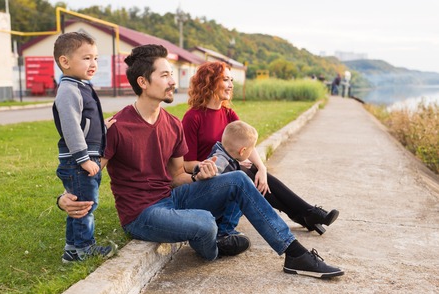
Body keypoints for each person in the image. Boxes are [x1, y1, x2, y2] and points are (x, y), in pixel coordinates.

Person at [59, 44, 344, 278]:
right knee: (205, 223)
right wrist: (64, 198)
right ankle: (216, 245)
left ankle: (295, 255)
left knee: (237, 178)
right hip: (142, 214)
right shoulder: (119, 126)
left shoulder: (172, 124)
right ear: (143, 82)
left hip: (172, 198)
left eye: (172, 74)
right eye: (165, 76)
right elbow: (90, 172)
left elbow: (175, 178)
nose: (173, 81)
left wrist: (200, 177)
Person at [182, 61, 339, 236]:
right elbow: (187, 164)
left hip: (232, 171)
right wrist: (210, 166)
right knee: (246, 174)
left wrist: (262, 169)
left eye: (231, 80)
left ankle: (306, 214)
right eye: (226, 80)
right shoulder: (193, 117)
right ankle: (306, 214)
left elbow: (248, 143)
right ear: (209, 81)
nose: (231, 85)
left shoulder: (228, 114)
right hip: (210, 179)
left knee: (255, 172)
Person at [52, 32, 117, 263]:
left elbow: (85, 122)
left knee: (79, 202)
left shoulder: (81, 86)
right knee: (85, 205)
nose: (93, 63)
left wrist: (104, 126)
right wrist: (83, 159)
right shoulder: (69, 90)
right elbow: (71, 127)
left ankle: (72, 249)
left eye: (96, 58)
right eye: (87, 58)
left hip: (82, 160)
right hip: (78, 161)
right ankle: (84, 249)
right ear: (65, 62)